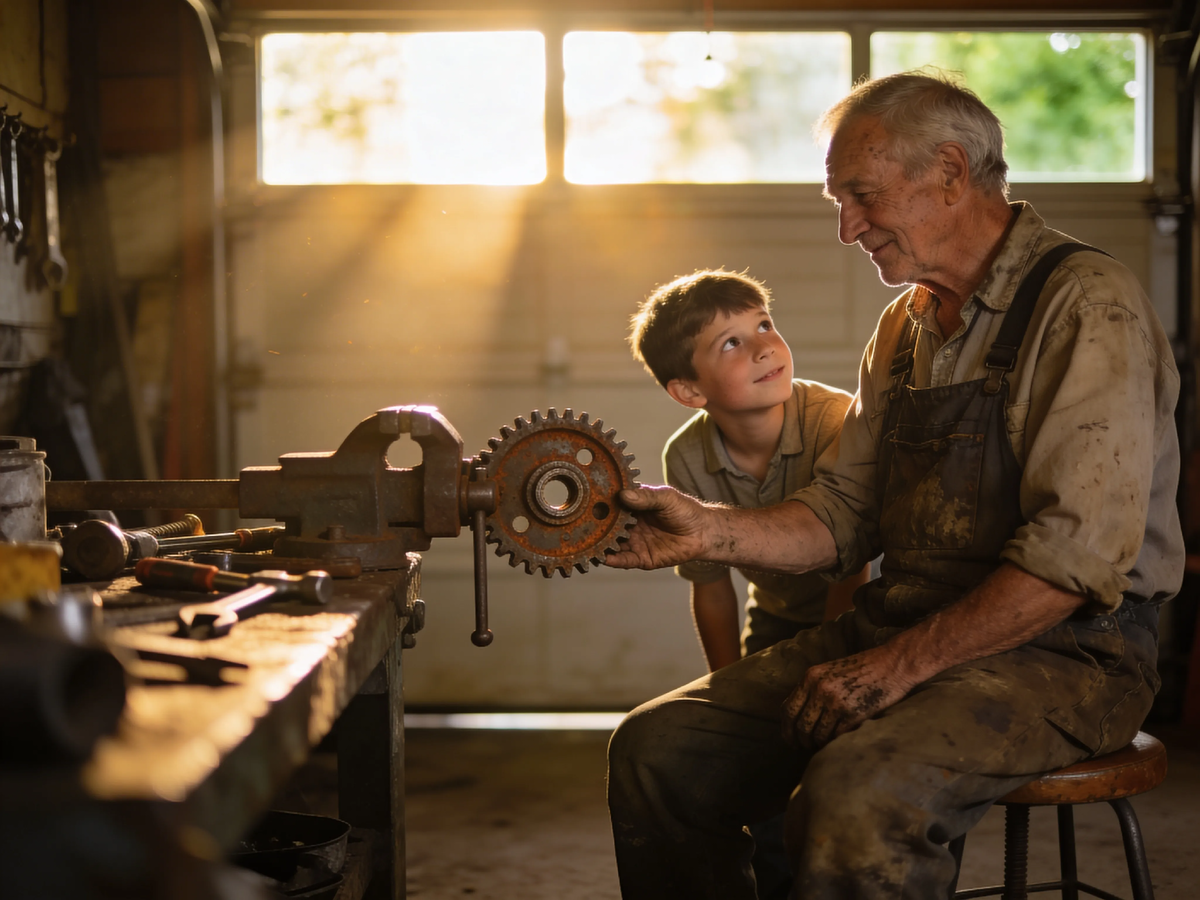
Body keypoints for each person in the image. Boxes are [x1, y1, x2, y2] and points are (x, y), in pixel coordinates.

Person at [604, 71, 1184, 900]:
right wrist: (709, 530)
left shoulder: (1087, 304)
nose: (847, 228)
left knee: (856, 791)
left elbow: (1074, 559)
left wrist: (896, 669)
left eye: (862, 196)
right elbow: (841, 516)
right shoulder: (907, 325)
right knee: (659, 748)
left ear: (950, 172)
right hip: (906, 623)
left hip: (1072, 654)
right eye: (840, 201)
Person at [628, 269, 868, 899]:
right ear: (688, 391)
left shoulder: (836, 420)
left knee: (828, 762)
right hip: (777, 617)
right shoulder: (686, 456)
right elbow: (709, 583)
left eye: (764, 325)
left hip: (860, 617)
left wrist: (832, 657)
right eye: (730, 343)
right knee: (752, 760)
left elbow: (853, 561)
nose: (764, 346)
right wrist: (727, 683)